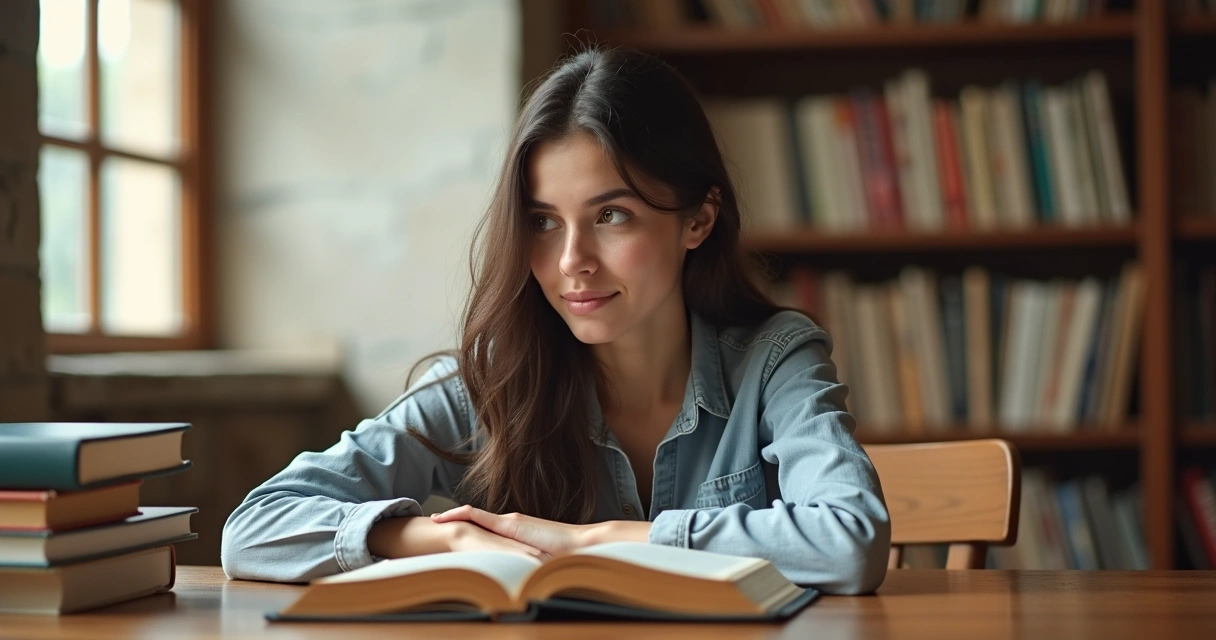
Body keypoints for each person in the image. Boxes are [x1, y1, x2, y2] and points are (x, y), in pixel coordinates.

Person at [221, 46, 890, 594]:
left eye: (612, 216)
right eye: (543, 222)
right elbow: (253, 528)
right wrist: (440, 537)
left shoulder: (776, 360)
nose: (572, 261)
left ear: (698, 220)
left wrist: (592, 542)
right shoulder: (487, 385)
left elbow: (850, 542)